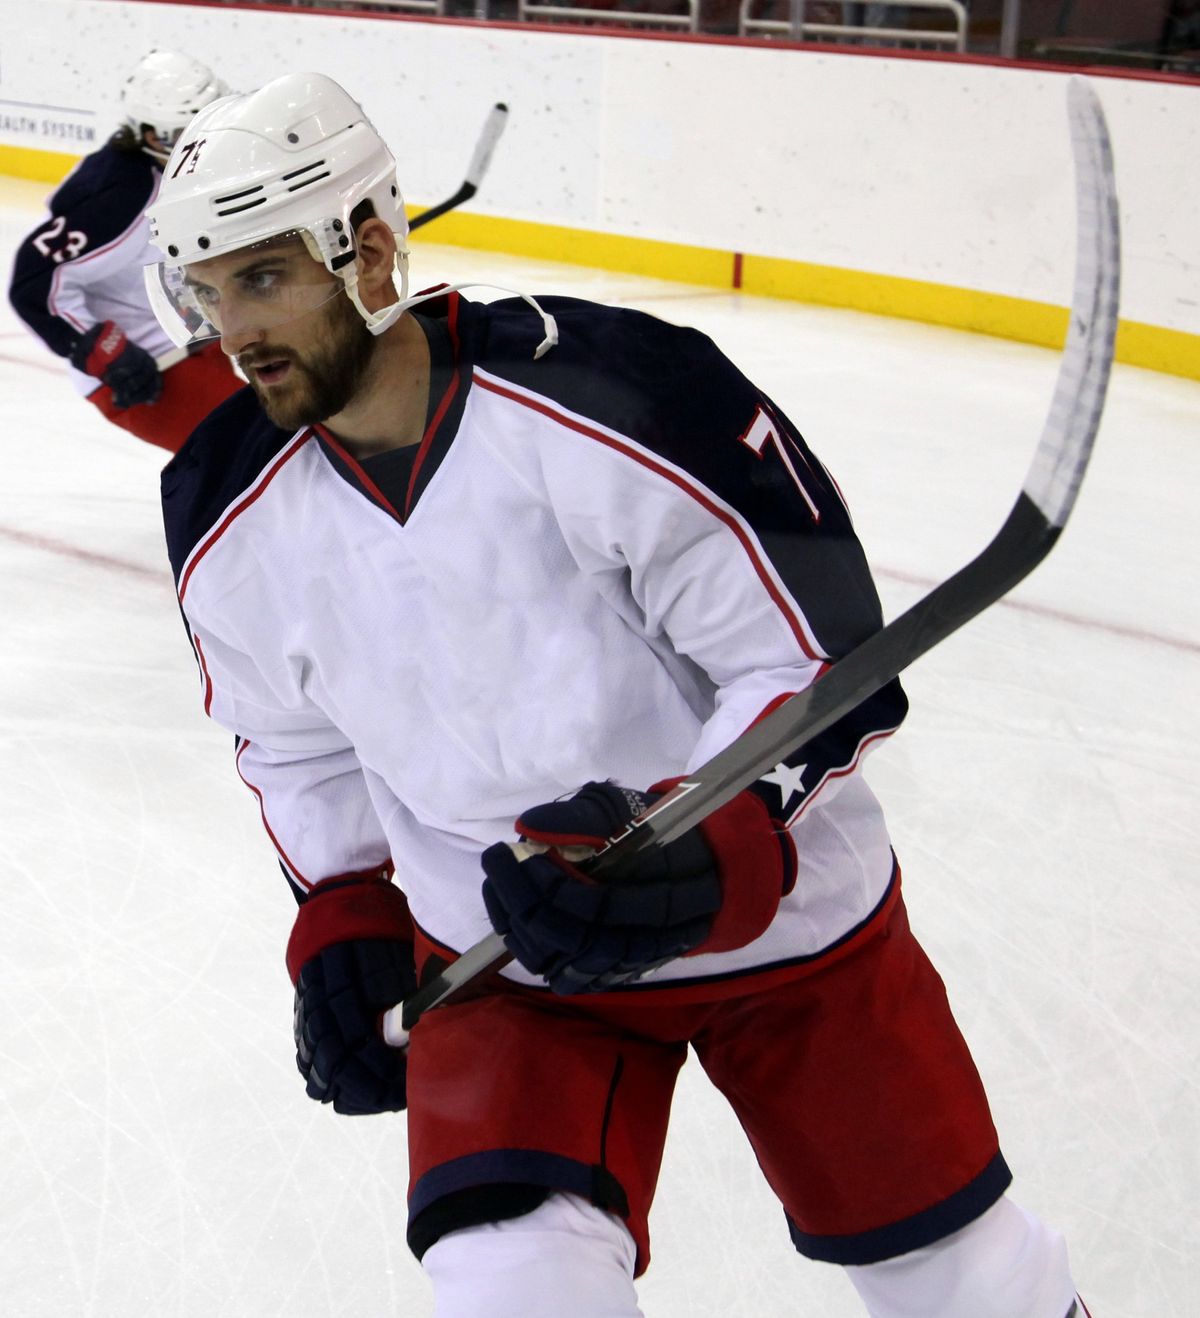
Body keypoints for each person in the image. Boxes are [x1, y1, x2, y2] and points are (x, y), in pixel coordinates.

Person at [145, 71, 1091, 1318]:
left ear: (366, 252)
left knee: (959, 1279)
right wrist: (347, 915)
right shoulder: (221, 501)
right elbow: (295, 746)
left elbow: (808, 656)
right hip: (508, 958)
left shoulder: (621, 390)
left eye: (263, 277)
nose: (233, 330)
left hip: (789, 937)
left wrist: (706, 838)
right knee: (503, 1286)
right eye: (206, 291)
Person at [7, 50, 243, 455]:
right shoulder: (118, 198)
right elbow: (34, 284)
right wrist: (104, 352)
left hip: (194, 337)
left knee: (260, 455)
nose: (208, 136)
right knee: (267, 449)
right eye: (192, 129)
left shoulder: (172, 166)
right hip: (149, 370)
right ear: (153, 136)